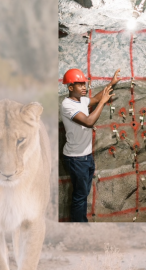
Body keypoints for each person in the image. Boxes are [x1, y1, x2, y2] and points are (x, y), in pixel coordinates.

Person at [61, 68, 121, 222]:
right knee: (80, 196)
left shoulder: (81, 101)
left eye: (84, 84)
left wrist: (112, 83)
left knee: (83, 193)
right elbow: (89, 122)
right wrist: (103, 102)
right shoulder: (67, 105)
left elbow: (95, 98)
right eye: (80, 85)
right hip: (76, 158)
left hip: (86, 156)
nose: (84, 87)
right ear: (70, 87)